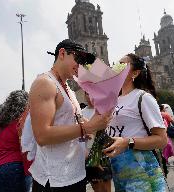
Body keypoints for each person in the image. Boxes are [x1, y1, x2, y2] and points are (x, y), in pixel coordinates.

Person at [28, 39, 112, 192]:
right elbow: (42, 135)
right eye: (78, 59)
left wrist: (101, 115)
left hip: (75, 175)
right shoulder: (45, 83)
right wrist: (90, 126)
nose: (81, 66)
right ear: (62, 53)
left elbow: (79, 126)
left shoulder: (69, 90)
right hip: (54, 181)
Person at [104, 53, 167, 191]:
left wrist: (128, 142)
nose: (115, 68)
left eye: (122, 65)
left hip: (140, 166)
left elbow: (162, 140)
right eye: (116, 65)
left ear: (135, 73)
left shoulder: (143, 97)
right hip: (118, 168)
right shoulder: (114, 100)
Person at [82, 92, 112, 192]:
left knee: (106, 188)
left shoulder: (104, 111)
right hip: (89, 156)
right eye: (86, 93)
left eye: (91, 93)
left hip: (104, 154)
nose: (89, 96)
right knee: (97, 188)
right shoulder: (81, 113)